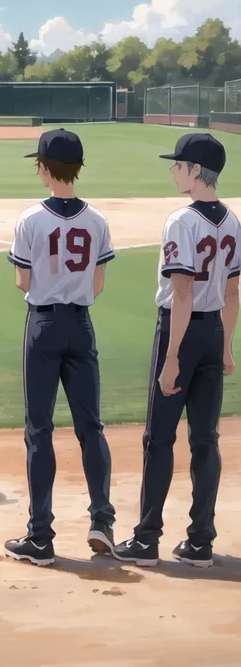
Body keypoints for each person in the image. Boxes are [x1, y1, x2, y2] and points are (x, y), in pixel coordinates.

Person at [114, 133, 240, 569]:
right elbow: (233, 290)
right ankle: (201, 542)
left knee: (159, 439)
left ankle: (146, 541)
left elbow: (182, 293)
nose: (172, 170)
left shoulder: (180, 222)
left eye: (178, 165)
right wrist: (225, 346)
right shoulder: (232, 221)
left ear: (195, 171)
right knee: (205, 440)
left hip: (180, 335)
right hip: (212, 333)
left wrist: (171, 359)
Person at [4, 128, 116, 566]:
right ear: (78, 168)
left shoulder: (31, 218)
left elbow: (22, 281)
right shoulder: (97, 219)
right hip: (80, 326)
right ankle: (102, 522)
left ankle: (41, 537)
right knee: (91, 427)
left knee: (39, 430)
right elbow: (99, 283)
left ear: (43, 169)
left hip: (44, 324)